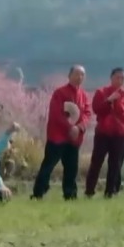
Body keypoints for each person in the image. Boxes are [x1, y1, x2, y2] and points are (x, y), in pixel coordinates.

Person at [31, 65, 91, 201]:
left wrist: (79, 127)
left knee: (71, 168)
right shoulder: (60, 93)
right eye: (76, 74)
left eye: (82, 75)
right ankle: (38, 193)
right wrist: (70, 127)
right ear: (69, 76)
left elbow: (87, 114)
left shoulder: (83, 95)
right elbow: (56, 114)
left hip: (74, 138)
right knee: (48, 165)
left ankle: (70, 194)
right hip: (57, 136)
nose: (79, 77)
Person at [86, 68, 124, 198]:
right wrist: (109, 100)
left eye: (122, 78)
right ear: (111, 78)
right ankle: (89, 191)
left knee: (115, 164)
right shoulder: (101, 92)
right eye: (117, 77)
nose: (120, 80)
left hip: (120, 134)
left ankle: (110, 192)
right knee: (96, 162)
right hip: (103, 133)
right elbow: (97, 109)